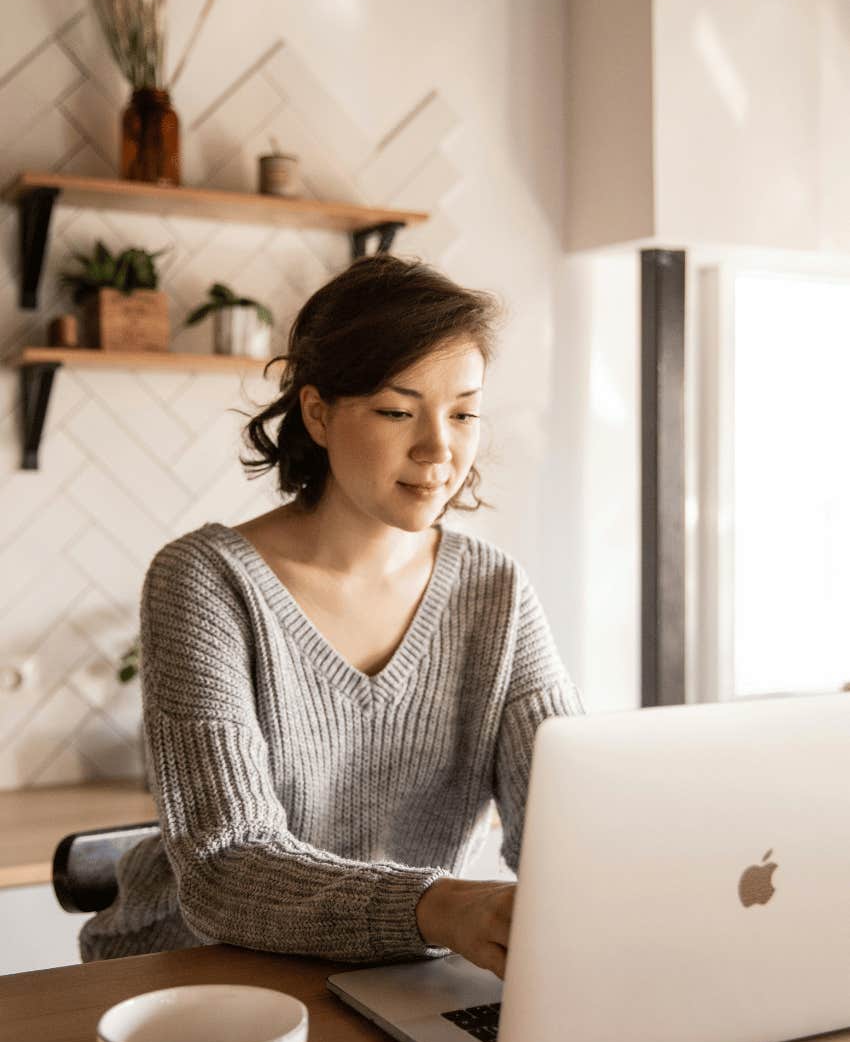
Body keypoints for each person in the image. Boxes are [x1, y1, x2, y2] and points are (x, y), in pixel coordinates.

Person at [78, 253, 585, 978]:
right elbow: (225, 867)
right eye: (396, 410)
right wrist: (434, 906)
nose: (440, 450)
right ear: (317, 413)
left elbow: (570, 820)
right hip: (191, 978)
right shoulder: (205, 581)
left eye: (465, 413)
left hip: (392, 975)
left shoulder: (494, 592)